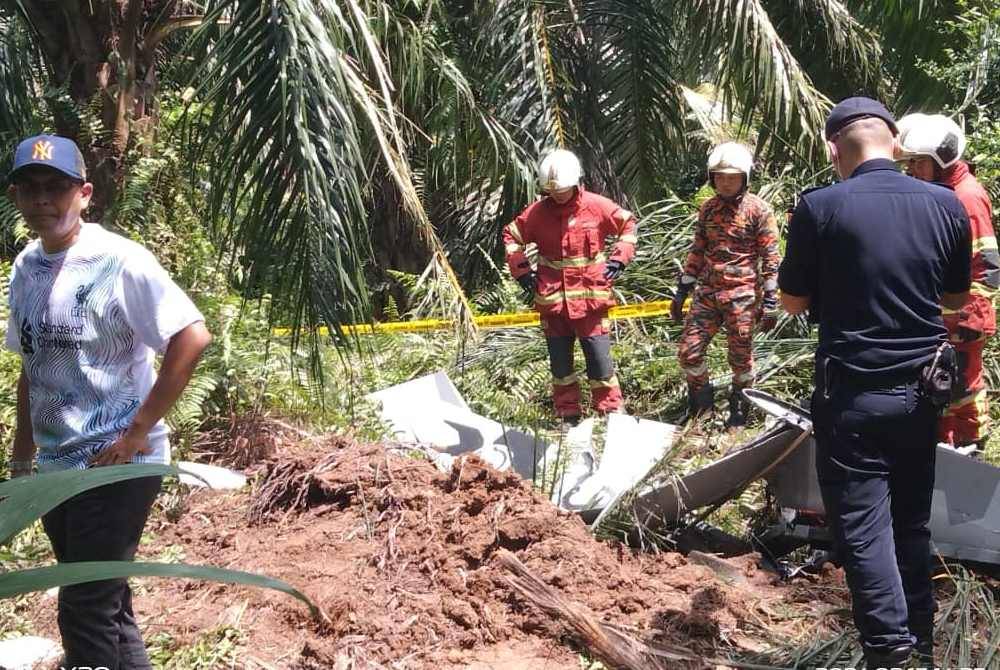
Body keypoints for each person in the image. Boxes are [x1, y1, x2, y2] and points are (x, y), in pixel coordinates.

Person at [5, 134, 212, 668]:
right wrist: (22, 454)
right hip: (57, 464)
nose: (43, 200)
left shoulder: (118, 261)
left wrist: (138, 430)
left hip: (115, 462)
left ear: (85, 194)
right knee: (108, 605)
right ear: (15, 197)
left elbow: (191, 335)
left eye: (56, 188)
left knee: (84, 606)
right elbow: (34, 364)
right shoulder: (26, 268)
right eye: (30, 189)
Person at [778, 98, 971, 668]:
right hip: (921, 396)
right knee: (911, 522)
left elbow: (792, 302)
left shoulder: (820, 207)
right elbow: (956, 299)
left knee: (864, 531)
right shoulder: (947, 204)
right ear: (893, 141)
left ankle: (890, 655)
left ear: (834, 148)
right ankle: (923, 650)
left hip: (853, 399)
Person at [503, 149, 637, 425]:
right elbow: (512, 236)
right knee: (561, 365)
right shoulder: (537, 214)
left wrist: (620, 258)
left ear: (576, 181)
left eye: (562, 189)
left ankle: (611, 414)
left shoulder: (596, 206)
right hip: (554, 304)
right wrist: (522, 271)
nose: (558, 194)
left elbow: (628, 225)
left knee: (600, 361)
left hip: (591, 301)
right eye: (552, 190)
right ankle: (568, 416)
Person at [897, 113, 998, 455]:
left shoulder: (965, 198)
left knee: (963, 388)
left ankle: (972, 447)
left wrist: (959, 317)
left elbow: (986, 266)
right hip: (948, 311)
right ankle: (949, 446)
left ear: (941, 160)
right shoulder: (946, 192)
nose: (912, 170)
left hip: (964, 316)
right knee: (944, 385)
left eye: (918, 163)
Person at [671, 142, 780, 427]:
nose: (726, 182)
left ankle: (740, 412)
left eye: (732, 177)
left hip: (742, 296)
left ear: (744, 178)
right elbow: (697, 249)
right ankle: (701, 410)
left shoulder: (759, 210)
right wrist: (682, 290)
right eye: (720, 177)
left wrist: (770, 301)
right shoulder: (707, 209)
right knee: (689, 352)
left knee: (741, 361)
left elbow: (771, 256)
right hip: (707, 293)